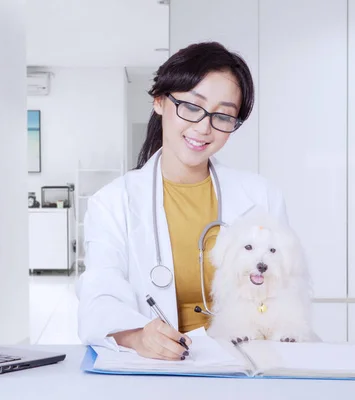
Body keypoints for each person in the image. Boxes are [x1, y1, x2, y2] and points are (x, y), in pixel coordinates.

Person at [76, 42, 289, 361]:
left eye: (223, 116)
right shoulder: (113, 202)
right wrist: (136, 336)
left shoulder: (261, 197)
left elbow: (283, 289)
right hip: (160, 365)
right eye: (192, 107)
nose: (204, 128)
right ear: (160, 101)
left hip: (248, 362)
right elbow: (99, 293)